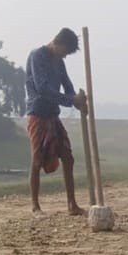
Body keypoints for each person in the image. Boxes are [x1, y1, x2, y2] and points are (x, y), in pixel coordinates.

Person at [25, 28, 88, 216]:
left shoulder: (59, 62)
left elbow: (67, 85)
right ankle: (35, 206)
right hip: (38, 113)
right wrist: (70, 101)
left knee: (68, 157)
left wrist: (77, 100)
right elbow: (42, 88)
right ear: (57, 43)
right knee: (37, 160)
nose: (65, 56)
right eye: (65, 51)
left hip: (53, 114)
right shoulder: (37, 56)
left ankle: (72, 205)